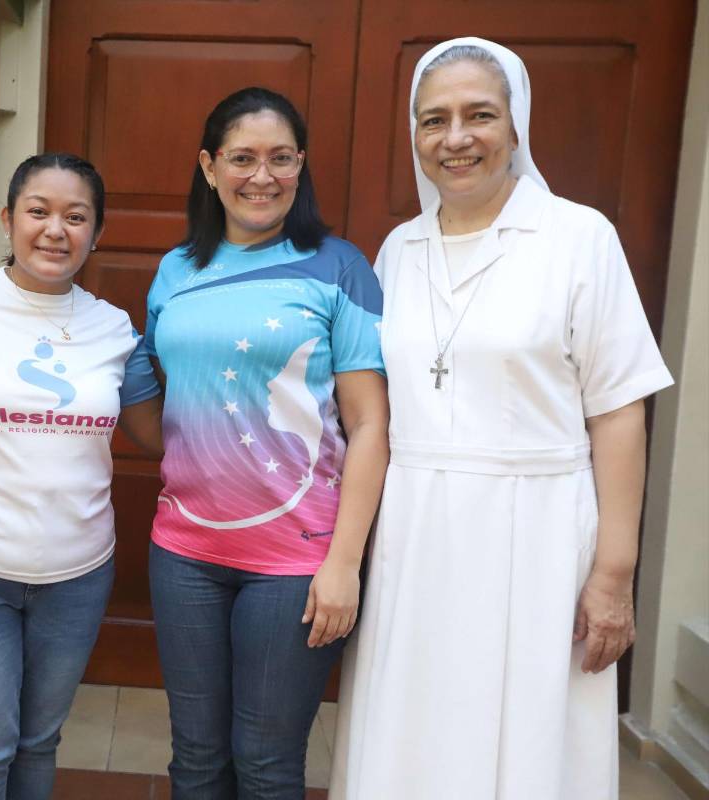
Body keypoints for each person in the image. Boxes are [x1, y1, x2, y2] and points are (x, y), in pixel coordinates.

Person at [330, 38, 674, 800]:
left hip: (538, 533)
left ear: (517, 126)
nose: (455, 138)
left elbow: (620, 411)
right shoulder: (399, 249)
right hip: (415, 533)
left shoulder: (579, 238)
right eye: (434, 119)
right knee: (414, 726)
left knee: (527, 737)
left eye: (479, 115)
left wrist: (613, 575)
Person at [143, 87, 390, 799]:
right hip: (183, 552)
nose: (262, 176)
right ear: (209, 167)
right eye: (242, 158)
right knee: (195, 759)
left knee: (266, 763)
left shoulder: (340, 267)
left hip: (295, 562)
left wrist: (344, 564)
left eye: (281, 158)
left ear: (300, 165)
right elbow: (172, 398)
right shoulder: (174, 271)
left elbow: (370, 424)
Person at [0, 152, 163, 799]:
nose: (55, 230)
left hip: (77, 575)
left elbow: (160, 436)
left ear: (96, 232)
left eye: (76, 217)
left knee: (38, 741)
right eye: (38, 211)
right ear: (8, 219)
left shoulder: (115, 330)